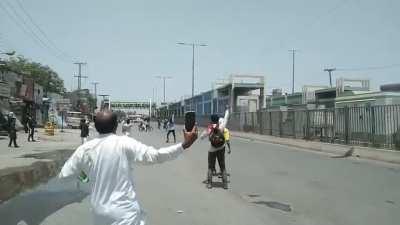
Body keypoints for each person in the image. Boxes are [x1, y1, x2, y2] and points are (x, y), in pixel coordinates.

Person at [59, 110, 197, 225]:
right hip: (125, 214)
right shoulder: (123, 143)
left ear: (95, 126)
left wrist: (86, 179)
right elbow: (156, 156)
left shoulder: (84, 149)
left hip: (99, 214)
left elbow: (64, 176)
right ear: (115, 126)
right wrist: (184, 145)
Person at [200, 108, 229, 189]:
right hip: (221, 148)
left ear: (211, 120)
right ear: (218, 119)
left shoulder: (210, 127)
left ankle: (209, 183)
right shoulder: (222, 125)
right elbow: (226, 117)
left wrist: (204, 136)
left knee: (210, 167)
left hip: (212, 149)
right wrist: (226, 110)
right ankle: (225, 184)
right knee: (222, 166)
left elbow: (202, 136)